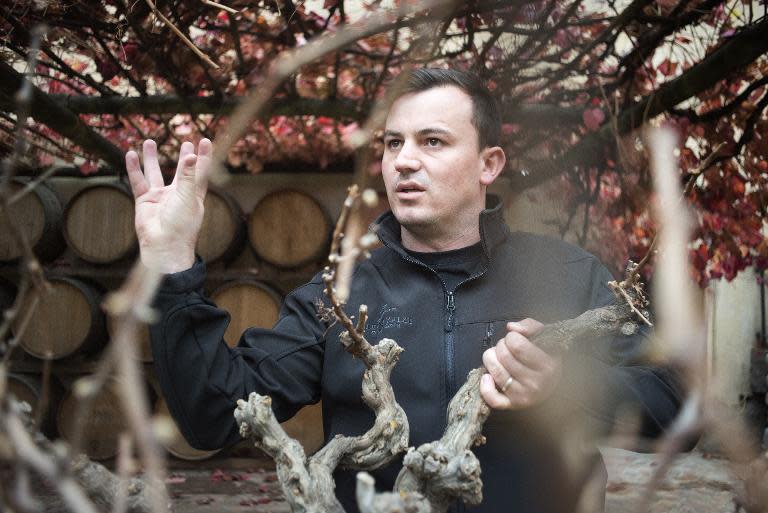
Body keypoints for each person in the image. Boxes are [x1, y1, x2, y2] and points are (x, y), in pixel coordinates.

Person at [126, 69, 684, 513]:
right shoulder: (339, 296)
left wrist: (569, 388)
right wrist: (173, 268)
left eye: (432, 141)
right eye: (394, 144)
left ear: (489, 164)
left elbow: (676, 408)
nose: (404, 161)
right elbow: (211, 416)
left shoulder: (564, 275)